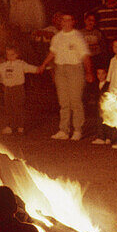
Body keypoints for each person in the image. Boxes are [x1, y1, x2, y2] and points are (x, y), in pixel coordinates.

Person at [38, 13, 93, 141]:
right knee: (64, 101)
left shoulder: (78, 36)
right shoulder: (57, 37)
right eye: (64, 20)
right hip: (60, 69)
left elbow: (85, 56)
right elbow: (53, 52)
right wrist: (43, 64)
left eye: (69, 20)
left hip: (75, 69)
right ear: (61, 22)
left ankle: (78, 130)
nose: (66, 22)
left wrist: (89, 72)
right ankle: (64, 130)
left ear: (73, 22)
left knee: (75, 101)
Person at [0, 44, 40, 135]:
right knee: (9, 108)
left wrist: (38, 69)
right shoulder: (4, 65)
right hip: (8, 89)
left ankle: (20, 126)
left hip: (18, 88)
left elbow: (30, 68)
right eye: (8, 54)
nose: (10, 57)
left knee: (18, 107)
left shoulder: (21, 64)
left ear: (17, 55)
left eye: (12, 54)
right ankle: (10, 126)